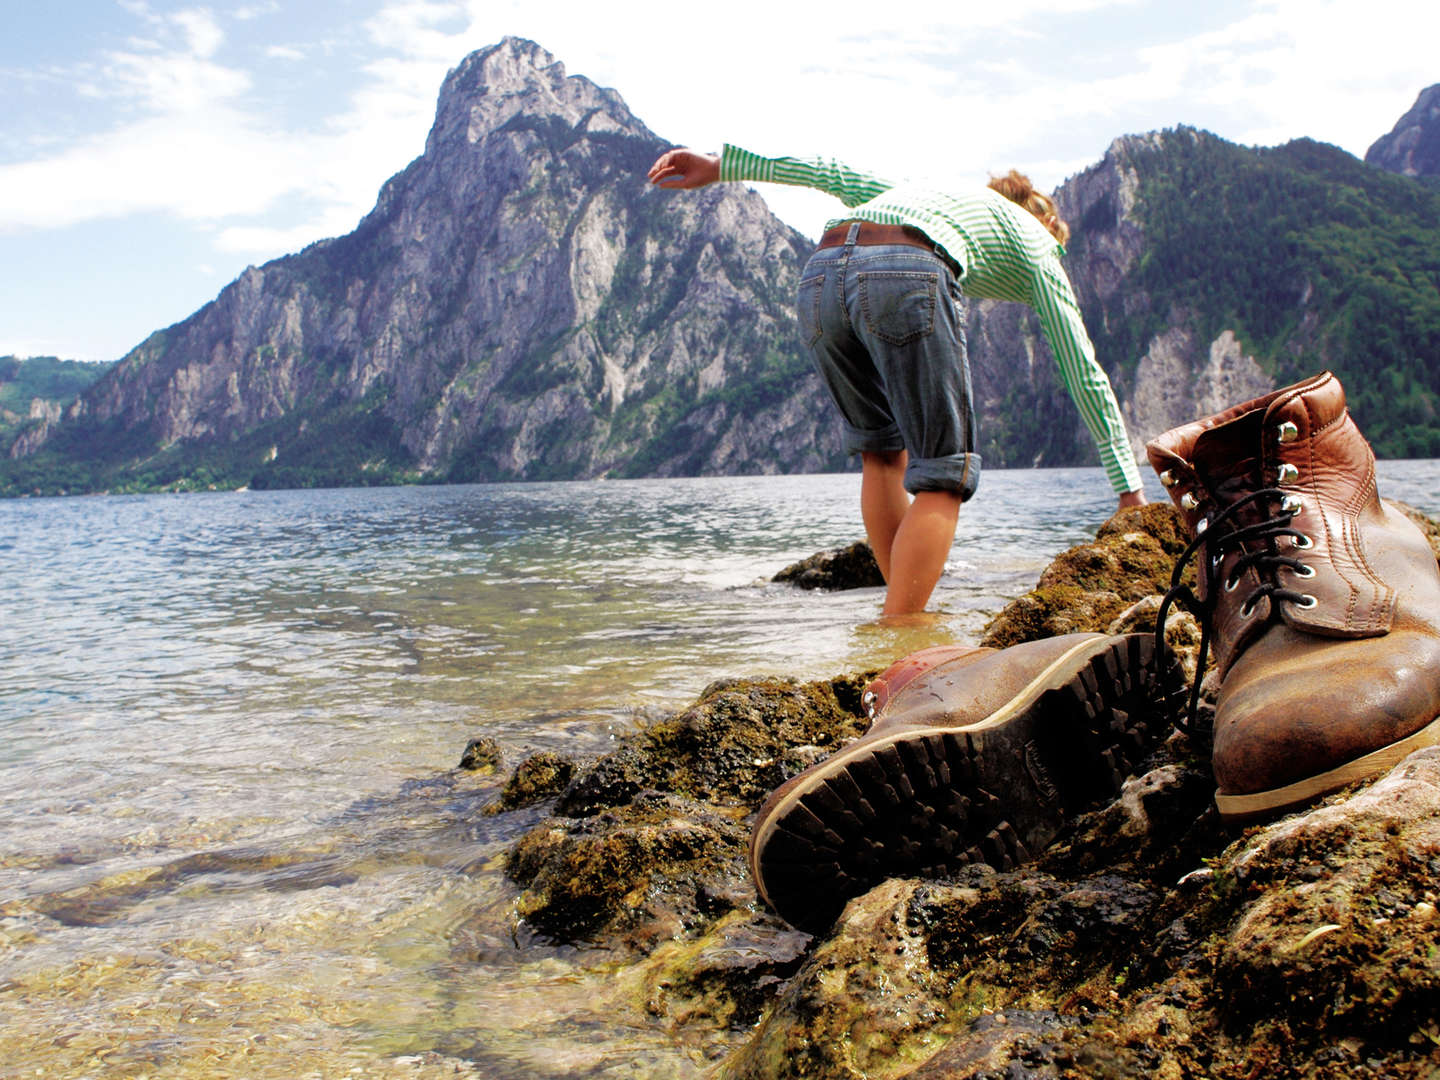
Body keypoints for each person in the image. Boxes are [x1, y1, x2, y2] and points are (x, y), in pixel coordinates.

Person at [648, 144, 1147, 617]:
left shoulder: (928, 192)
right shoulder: (1039, 243)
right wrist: (1129, 490)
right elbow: (1083, 370)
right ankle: (902, 631)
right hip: (907, 267)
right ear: (1046, 224)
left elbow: (830, 171)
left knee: (882, 455)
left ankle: (897, 619)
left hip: (820, 273)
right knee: (944, 472)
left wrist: (721, 165)